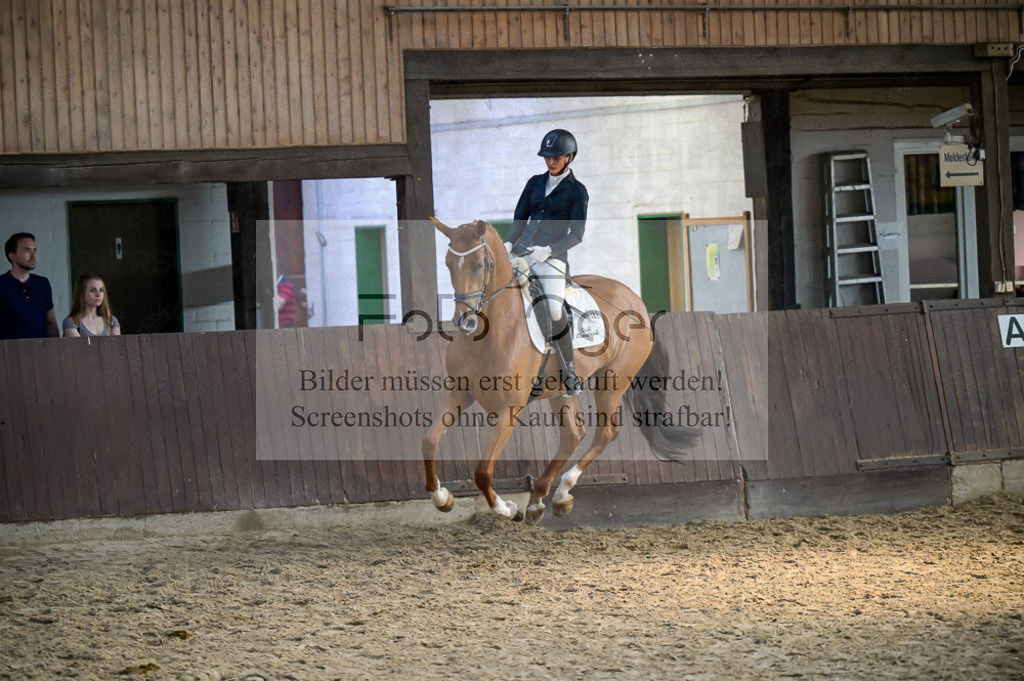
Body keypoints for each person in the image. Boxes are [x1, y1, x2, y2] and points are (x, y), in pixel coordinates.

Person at [505, 129, 589, 396]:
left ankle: (570, 371)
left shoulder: (577, 191)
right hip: (520, 254)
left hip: (550, 259)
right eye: (547, 157)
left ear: (569, 157)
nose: (550, 161)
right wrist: (508, 244)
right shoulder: (534, 183)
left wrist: (549, 251)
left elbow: (576, 235)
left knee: (553, 308)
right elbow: (520, 218)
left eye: (556, 157)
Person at [0, 232, 60, 340]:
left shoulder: (42, 283)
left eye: (34, 250)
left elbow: (51, 322)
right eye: (27, 250)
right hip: (9, 351)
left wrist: (55, 348)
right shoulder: (1, 284)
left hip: (40, 350)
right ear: (12, 256)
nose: (33, 255)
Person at [63, 273, 121, 337]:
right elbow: (78, 346)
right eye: (93, 290)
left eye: (101, 290)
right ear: (81, 293)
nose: (98, 295)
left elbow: (116, 346)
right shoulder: (72, 322)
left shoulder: (111, 320)